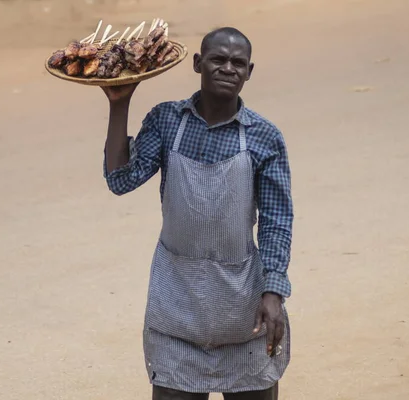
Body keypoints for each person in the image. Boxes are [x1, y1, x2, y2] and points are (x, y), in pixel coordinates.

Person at [101, 27, 294, 400]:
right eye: (217, 59)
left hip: (244, 310)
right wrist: (118, 104)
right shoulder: (167, 121)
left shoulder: (264, 137)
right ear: (197, 64)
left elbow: (276, 221)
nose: (228, 68)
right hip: (177, 306)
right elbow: (121, 180)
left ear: (249, 72)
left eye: (238, 63)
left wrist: (273, 291)